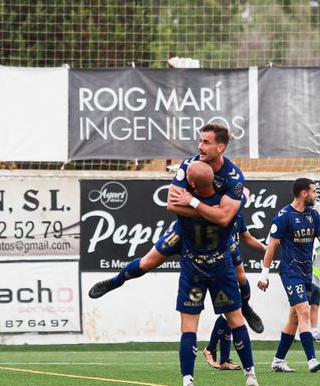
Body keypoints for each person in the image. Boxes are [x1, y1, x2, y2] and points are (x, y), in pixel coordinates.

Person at [88, 123, 264, 333]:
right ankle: (115, 282)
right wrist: (210, 210)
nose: (200, 146)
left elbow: (225, 219)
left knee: (241, 277)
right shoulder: (189, 166)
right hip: (184, 231)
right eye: (200, 141)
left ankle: (245, 307)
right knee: (146, 263)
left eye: (206, 142)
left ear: (221, 148)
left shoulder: (233, 176)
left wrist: (197, 205)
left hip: (219, 239)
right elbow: (172, 205)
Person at [167, 161, 264, 386]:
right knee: (236, 319)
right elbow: (226, 215)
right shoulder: (226, 206)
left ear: (191, 183)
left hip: (194, 266)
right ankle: (250, 375)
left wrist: (190, 201)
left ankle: (188, 383)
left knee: (189, 326)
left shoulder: (188, 200)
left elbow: (173, 204)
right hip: (221, 263)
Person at [258, 178, 320, 373]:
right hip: (290, 271)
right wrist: (264, 274)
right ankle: (311, 359)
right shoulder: (284, 216)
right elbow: (271, 246)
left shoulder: (313, 215)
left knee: (294, 318)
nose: (316, 195)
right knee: (304, 312)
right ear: (304, 193)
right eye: (313, 192)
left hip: (306, 272)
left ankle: (278, 360)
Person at [203, 210, 267, 370]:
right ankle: (210, 348)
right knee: (230, 312)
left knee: (231, 314)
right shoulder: (216, 214)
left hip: (233, 266)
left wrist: (265, 248)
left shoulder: (237, 215)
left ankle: (224, 359)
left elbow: (247, 238)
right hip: (219, 266)